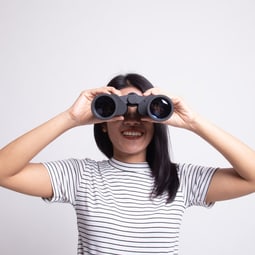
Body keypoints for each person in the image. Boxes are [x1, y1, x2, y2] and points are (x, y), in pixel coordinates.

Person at [0, 73, 255, 254]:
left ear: (157, 123)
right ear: (102, 122)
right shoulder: (80, 175)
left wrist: (194, 122)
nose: (132, 121)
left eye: (143, 113)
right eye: (119, 112)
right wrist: (71, 118)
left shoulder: (180, 179)